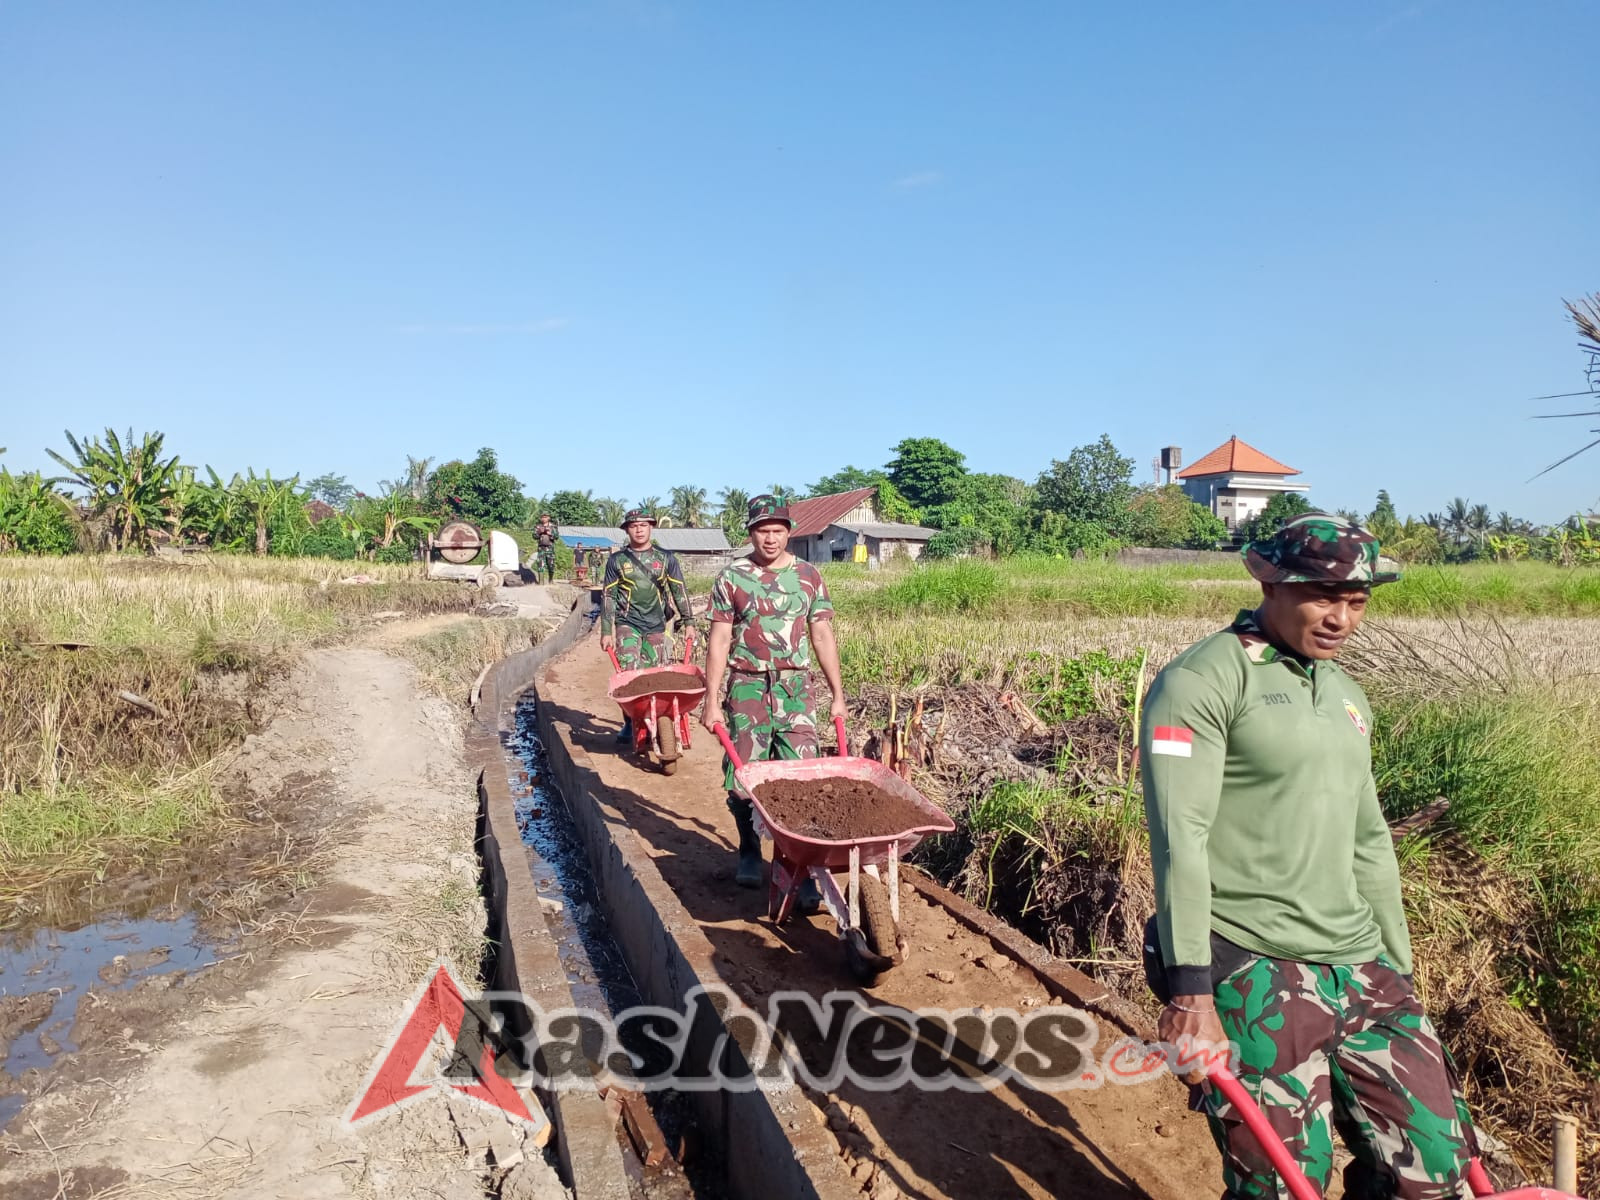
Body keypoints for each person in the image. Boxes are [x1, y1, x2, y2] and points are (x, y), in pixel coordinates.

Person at [1140, 513, 1477, 1200]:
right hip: (1255, 965)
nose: (1340, 618)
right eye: (1323, 595)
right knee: (1282, 1183)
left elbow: (1368, 839)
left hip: (1360, 961)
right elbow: (1181, 836)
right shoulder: (1202, 681)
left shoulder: (1346, 696)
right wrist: (1191, 993)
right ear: (1270, 582)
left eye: (1356, 601)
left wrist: (1399, 967)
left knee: (1436, 1164)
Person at [700, 495, 847, 892]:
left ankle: (802, 864)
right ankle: (749, 848)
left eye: (777, 531)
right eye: (762, 531)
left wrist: (837, 693)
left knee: (803, 776)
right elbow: (719, 640)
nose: (770, 539)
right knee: (743, 777)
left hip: (795, 687)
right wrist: (711, 700)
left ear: (788, 532)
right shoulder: (732, 577)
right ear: (751, 533)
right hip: (747, 686)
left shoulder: (808, 576)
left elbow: (822, 634)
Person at [600, 507, 694, 744]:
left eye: (643, 525)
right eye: (633, 526)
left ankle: (659, 719)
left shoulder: (666, 559)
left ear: (651, 527)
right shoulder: (617, 560)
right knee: (629, 673)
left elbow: (679, 591)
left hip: (656, 624)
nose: (639, 530)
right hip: (627, 623)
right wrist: (606, 631)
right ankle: (630, 720)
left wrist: (689, 622)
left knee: (655, 675)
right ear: (627, 530)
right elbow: (608, 597)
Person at [534, 514, 559, 584]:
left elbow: (557, 536)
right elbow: (534, 536)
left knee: (551, 566)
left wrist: (550, 534)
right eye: (542, 517)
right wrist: (539, 532)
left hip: (550, 549)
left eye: (545, 517)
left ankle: (551, 580)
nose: (544, 518)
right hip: (541, 549)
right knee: (540, 565)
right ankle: (541, 582)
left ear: (548, 518)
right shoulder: (538, 526)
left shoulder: (553, 526)